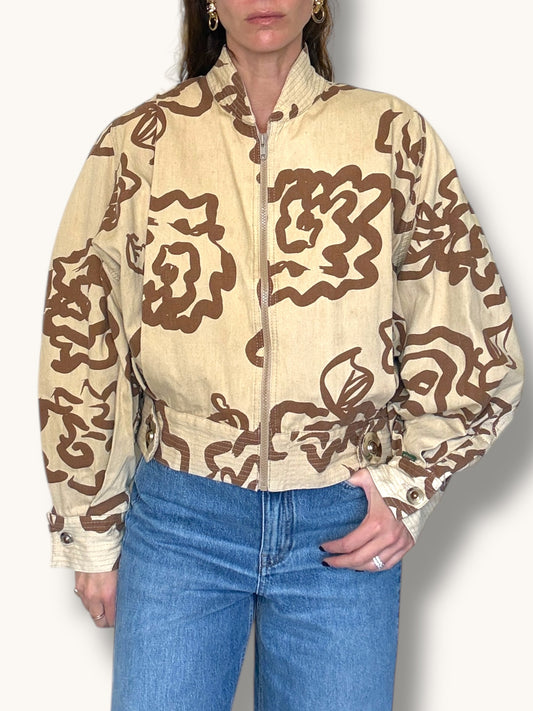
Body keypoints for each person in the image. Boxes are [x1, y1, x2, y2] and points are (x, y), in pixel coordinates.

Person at [38, 1, 523, 709]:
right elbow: (81, 336)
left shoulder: (391, 136)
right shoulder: (140, 144)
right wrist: (90, 527)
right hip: (180, 520)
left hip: (341, 521)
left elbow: (473, 334)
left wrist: (406, 486)